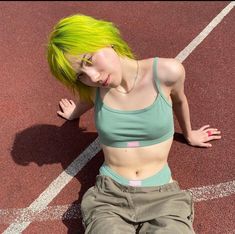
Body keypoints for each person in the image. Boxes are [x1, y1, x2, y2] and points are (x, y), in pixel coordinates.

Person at [47, 14, 222, 234]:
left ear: (104, 38)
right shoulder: (94, 90)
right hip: (109, 196)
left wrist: (189, 133)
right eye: (80, 75)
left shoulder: (167, 72)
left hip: (163, 196)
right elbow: (84, 102)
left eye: (88, 60)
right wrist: (73, 113)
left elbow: (179, 100)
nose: (93, 76)